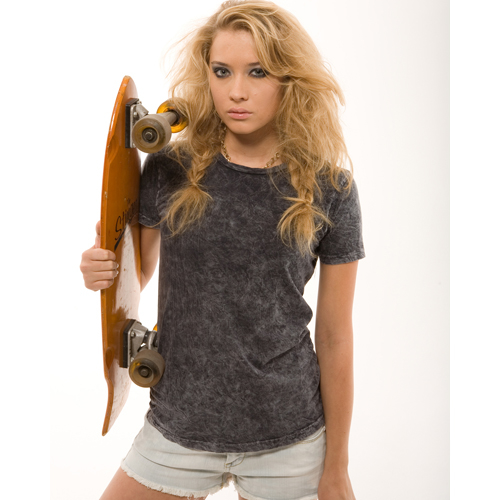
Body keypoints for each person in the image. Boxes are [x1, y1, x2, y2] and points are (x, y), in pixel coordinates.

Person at [80, 1, 365, 499]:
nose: (236, 91)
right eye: (221, 71)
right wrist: (102, 269)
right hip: (178, 424)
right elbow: (136, 275)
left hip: (289, 437)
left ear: (289, 79)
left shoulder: (330, 189)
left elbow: (335, 336)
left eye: (258, 72)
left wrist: (336, 465)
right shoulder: (170, 169)